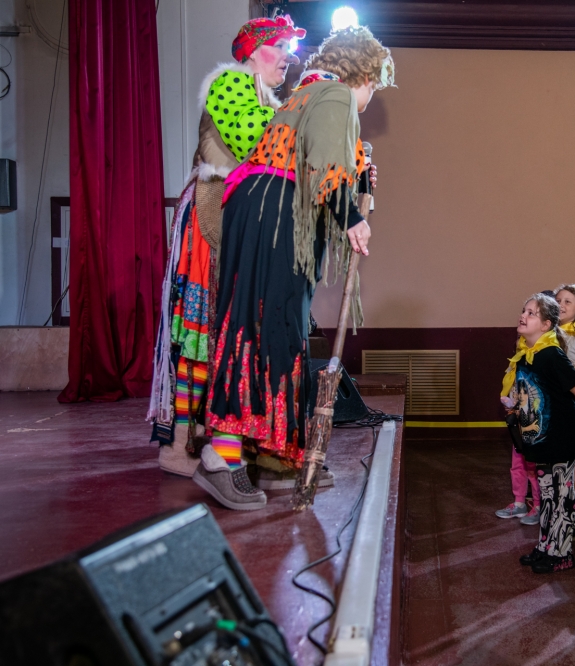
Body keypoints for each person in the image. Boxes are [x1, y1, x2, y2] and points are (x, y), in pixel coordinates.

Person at [191, 25, 394, 510]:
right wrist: (352, 220)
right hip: (274, 212)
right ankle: (220, 457)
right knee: (259, 329)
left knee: (274, 332)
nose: (371, 98)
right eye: (375, 86)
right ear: (364, 75)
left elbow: (317, 159)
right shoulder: (335, 94)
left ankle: (273, 454)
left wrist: (357, 174)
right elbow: (322, 168)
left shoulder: (307, 93)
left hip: (268, 210)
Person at [149, 15, 306, 478]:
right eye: (281, 47)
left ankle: (239, 438)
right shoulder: (231, 83)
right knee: (201, 329)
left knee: (237, 331)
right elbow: (253, 140)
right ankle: (180, 444)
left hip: (245, 220)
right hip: (212, 218)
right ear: (254, 51)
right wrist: (307, 120)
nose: (288, 59)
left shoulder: (269, 100)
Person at [506, 294, 575, 574]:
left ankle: (562, 553)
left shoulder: (552, 354)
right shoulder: (525, 356)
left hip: (560, 439)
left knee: (561, 497)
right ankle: (546, 547)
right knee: (547, 495)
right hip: (540, 440)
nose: (523, 315)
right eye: (524, 310)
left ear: (546, 325)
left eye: (532, 313)